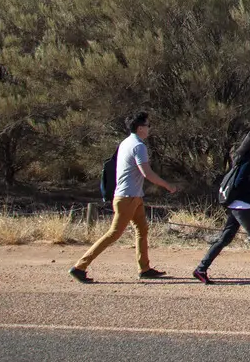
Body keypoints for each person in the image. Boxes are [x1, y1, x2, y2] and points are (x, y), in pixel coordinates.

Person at [70, 111, 177, 283]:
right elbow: (147, 173)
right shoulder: (138, 146)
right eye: (148, 125)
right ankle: (80, 267)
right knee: (113, 233)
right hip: (127, 197)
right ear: (140, 128)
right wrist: (168, 185)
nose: (149, 129)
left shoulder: (126, 143)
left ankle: (145, 268)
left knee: (142, 230)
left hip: (133, 197)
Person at [193, 129, 250, 283]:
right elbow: (240, 183)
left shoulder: (246, 159)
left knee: (225, 238)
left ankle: (201, 269)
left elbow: (243, 184)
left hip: (238, 205)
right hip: (242, 206)